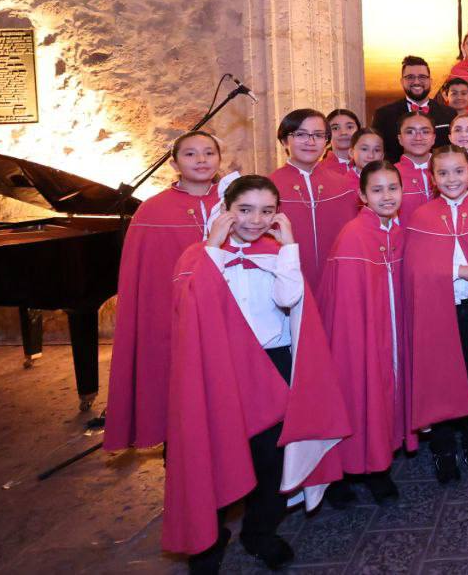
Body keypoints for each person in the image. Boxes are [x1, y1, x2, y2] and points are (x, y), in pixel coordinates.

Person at [162, 174, 348, 573]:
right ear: (226, 211)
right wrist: (213, 244)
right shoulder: (199, 256)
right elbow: (193, 303)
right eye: (245, 210)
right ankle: (207, 542)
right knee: (214, 454)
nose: (255, 220)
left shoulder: (275, 252)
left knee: (272, 459)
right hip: (221, 368)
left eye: (267, 211)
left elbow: (289, 297)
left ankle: (260, 531)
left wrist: (290, 246)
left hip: (272, 362)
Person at [105, 131, 223, 452]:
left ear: (219, 159)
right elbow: (143, 281)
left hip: (227, 319)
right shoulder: (152, 211)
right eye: (190, 154)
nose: (201, 160)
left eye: (209, 152)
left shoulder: (234, 203)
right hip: (173, 321)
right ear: (173, 163)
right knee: (178, 400)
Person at [315, 161, 406, 507]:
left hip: (391, 330)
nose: (387, 196)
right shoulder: (354, 235)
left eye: (393, 188)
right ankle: (350, 471)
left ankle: (378, 464)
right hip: (359, 337)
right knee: (360, 392)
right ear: (362, 195)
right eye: (377, 190)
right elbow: (347, 302)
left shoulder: (395, 231)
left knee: (384, 391)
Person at [401, 146, 468, 484]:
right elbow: (413, 269)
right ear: (433, 178)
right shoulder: (421, 216)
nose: (451, 179)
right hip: (436, 311)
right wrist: (458, 270)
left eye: (458, 171)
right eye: (443, 173)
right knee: (438, 380)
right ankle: (442, 449)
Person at [268, 109, 361, 290]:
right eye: (301, 134)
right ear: (285, 141)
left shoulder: (344, 186)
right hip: (285, 284)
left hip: (338, 283)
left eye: (318, 135)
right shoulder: (268, 188)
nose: (310, 142)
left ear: (326, 141)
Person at [372, 56, 455, 160]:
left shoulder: (449, 114)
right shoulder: (383, 115)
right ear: (402, 81)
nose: (416, 82)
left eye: (422, 77)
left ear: (430, 81)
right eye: (410, 77)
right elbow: (376, 151)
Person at [395, 112, 436, 225]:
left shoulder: (447, 170)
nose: (418, 137)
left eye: (425, 132)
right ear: (400, 139)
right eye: (410, 132)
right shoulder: (391, 174)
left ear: (433, 138)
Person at [324, 109, 362, 175]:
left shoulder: (370, 166)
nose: (343, 133)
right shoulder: (317, 170)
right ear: (326, 134)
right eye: (335, 128)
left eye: (349, 127)